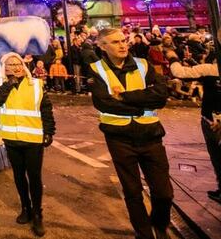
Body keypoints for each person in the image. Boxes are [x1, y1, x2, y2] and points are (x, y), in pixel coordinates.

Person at [87, 28, 172, 239]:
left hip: (150, 134)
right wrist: (142, 103)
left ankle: (160, 224)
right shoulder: (96, 69)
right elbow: (103, 104)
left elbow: (161, 96)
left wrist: (124, 97)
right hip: (119, 138)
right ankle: (144, 233)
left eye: (124, 40)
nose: (123, 45)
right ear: (102, 46)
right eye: (116, 42)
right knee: (132, 191)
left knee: (164, 192)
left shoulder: (143, 65)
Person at [0, 52, 55, 237]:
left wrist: (49, 131)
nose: (15, 67)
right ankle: (25, 208)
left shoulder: (36, 84)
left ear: (23, 65)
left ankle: (37, 214)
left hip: (33, 139)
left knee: (34, 177)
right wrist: (10, 83)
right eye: (10, 65)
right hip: (11, 139)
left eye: (18, 64)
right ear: (5, 68)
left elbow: (46, 109)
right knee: (19, 176)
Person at [167, 55, 221, 204]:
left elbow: (180, 72)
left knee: (217, 156)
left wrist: (172, 58)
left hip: (213, 120)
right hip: (213, 118)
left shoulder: (210, 69)